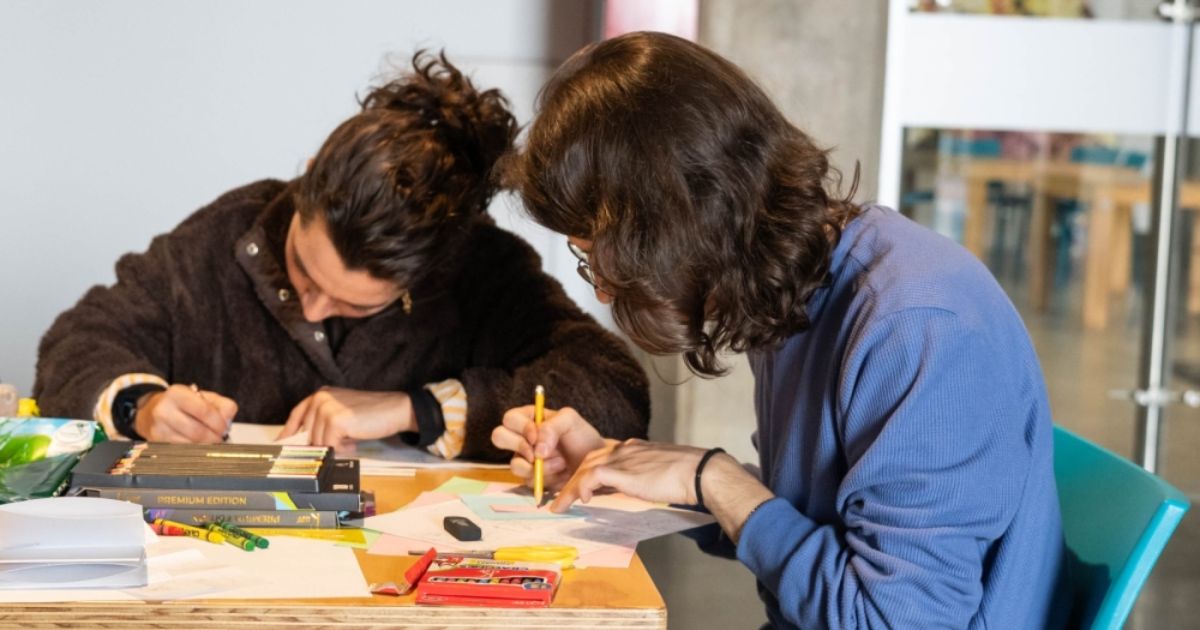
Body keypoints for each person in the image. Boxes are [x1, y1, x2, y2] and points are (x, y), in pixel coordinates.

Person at [493, 32, 1066, 628]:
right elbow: (816, 518)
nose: (604, 291)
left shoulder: (915, 325)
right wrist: (635, 476)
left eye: (600, 258)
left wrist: (711, 477)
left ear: (680, 225)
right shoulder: (796, 283)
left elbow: (895, 617)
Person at [34, 51, 649, 460]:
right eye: (303, 270)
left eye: (353, 304)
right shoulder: (230, 231)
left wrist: (417, 409)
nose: (309, 307)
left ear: (425, 276)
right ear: (306, 181)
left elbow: (614, 392)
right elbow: (81, 338)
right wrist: (143, 406)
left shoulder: (480, 269)